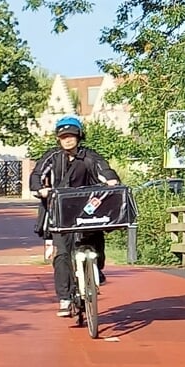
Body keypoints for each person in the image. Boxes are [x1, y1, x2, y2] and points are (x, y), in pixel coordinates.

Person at [28, 116, 120, 316]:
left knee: (96, 239)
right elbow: (37, 174)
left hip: (87, 210)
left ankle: (98, 268)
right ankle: (65, 297)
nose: (68, 139)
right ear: (58, 139)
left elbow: (104, 169)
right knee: (62, 254)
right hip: (60, 213)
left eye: (71, 135)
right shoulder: (52, 157)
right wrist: (39, 189)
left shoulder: (89, 156)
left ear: (79, 136)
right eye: (63, 136)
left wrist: (111, 181)